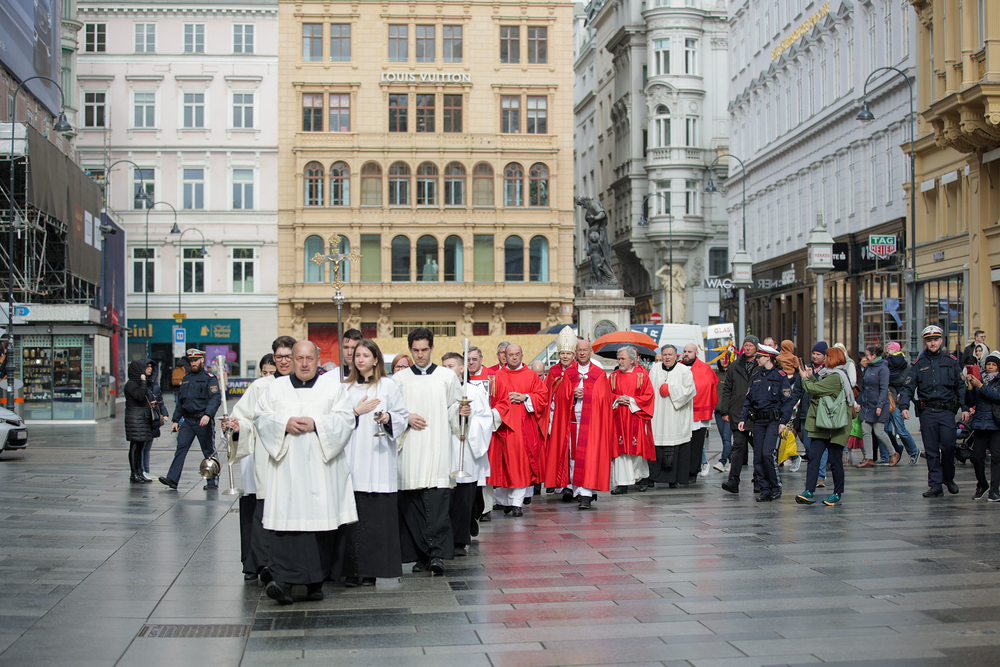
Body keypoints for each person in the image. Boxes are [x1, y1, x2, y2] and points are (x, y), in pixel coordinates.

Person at [254, 341, 357, 604]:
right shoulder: (275, 388)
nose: (303, 363)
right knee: (286, 524)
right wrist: (283, 423)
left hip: (321, 469)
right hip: (286, 469)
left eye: (309, 358)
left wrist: (317, 423)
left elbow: (346, 419)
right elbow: (261, 418)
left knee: (318, 525)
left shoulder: (333, 388)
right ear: (291, 359)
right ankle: (283, 582)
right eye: (299, 358)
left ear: (317, 360)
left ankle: (315, 583)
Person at [394, 327, 463, 574]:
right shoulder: (399, 380)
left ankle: (437, 556)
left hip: (437, 447)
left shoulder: (447, 377)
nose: (420, 355)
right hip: (410, 448)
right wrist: (405, 418)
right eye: (415, 350)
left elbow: (455, 408)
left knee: (438, 505)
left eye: (424, 350)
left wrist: (461, 412)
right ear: (410, 349)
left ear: (432, 348)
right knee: (412, 506)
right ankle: (422, 555)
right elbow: (391, 413)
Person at [340, 340, 409, 586]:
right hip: (353, 456)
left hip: (379, 458)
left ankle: (371, 571)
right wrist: (355, 412)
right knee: (353, 518)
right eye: (357, 355)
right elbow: (335, 420)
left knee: (376, 519)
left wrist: (389, 418)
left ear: (376, 359)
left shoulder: (388, 385)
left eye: (366, 355)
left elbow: (402, 415)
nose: (360, 360)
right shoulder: (345, 388)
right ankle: (352, 570)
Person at [229, 340, 295, 583]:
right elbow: (244, 417)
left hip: (296, 457)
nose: (284, 361)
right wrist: (238, 426)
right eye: (279, 356)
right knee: (264, 509)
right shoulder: (260, 386)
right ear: (273, 358)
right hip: (268, 457)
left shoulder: (305, 386)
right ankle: (263, 562)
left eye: (288, 356)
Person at [899, 325, 970, 498]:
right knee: (931, 450)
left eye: (936, 340)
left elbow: (961, 386)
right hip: (928, 412)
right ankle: (935, 484)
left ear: (941, 341)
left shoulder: (951, 361)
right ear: (925, 342)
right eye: (929, 340)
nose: (933, 343)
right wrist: (904, 406)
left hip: (947, 411)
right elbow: (908, 387)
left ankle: (948, 478)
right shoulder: (918, 364)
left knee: (949, 446)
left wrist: (965, 407)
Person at [543, 339, 614, 509]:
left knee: (590, 456)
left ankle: (586, 494)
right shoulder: (569, 373)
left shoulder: (599, 373)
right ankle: (577, 490)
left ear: (590, 352)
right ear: (576, 353)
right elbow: (559, 398)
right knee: (573, 456)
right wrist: (572, 393)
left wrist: (588, 394)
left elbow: (605, 399)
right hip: (573, 421)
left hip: (592, 423)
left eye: (585, 350)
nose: (582, 353)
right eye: (579, 350)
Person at [440, 351, 492, 552]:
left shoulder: (474, 392)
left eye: (450, 366)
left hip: (465, 446)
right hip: (445, 446)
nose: (447, 370)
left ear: (462, 368)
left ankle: (459, 540)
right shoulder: (439, 391)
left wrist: (468, 420)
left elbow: (485, 419)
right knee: (448, 494)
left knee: (464, 495)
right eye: (444, 366)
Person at [488, 344, 546, 516]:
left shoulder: (531, 375)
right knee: (503, 463)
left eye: (517, 354)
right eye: (511, 355)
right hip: (502, 426)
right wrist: (504, 400)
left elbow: (542, 397)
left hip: (523, 427)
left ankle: (516, 503)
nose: (514, 357)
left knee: (521, 463)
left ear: (522, 355)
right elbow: (490, 399)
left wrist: (526, 397)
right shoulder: (497, 376)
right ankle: (504, 502)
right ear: (504, 357)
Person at [795, 346, 853, 506]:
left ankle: (837, 494)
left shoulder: (836, 377)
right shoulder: (827, 375)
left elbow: (814, 389)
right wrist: (811, 377)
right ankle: (809, 491)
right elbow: (820, 388)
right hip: (823, 424)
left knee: (835, 460)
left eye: (827, 357)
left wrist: (804, 378)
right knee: (814, 456)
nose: (824, 359)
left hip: (836, 426)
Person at [159, 349, 222, 490]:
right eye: (191, 361)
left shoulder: (209, 378)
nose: (193, 363)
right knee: (180, 448)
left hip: (203, 420)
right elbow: (181, 402)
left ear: (202, 360)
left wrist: (208, 415)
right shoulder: (186, 378)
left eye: (196, 360)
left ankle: (212, 481)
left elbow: (215, 399)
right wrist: (176, 420)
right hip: (188, 421)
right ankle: (172, 479)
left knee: (209, 451)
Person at [738, 344, 793, 502]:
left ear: (768, 358)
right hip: (759, 421)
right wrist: (743, 419)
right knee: (758, 457)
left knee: (768, 454)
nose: (757, 359)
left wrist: (783, 421)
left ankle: (775, 486)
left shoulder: (780, 376)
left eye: (759, 357)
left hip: (773, 421)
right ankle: (764, 489)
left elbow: (787, 401)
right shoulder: (757, 376)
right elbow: (748, 400)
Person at [718, 336, 763, 494]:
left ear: (756, 348)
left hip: (756, 413)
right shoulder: (735, 365)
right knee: (738, 447)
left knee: (759, 448)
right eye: (746, 345)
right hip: (738, 412)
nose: (748, 348)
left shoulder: (761, 365)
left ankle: (758, 480)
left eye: (751, 345)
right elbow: (727, 389)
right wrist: (725, 411)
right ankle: (733, 480)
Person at [648, 344, 696, 487]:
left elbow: (690, 390)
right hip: (658, 415)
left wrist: (671, 389)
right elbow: (649, 389)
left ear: (676, 356)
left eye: (670, 355)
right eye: (664, 355)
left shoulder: (684, 370)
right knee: (656, 444)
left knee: (676, 445)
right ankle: (653, 477)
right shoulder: (655, 369)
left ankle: (673, 479)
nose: (667, 357)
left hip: (676, 415)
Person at [609, 346, 654, 494]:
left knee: (637, 448)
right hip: (618, 417)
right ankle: (622, 484)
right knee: (620, 450)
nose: (619, 362)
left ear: (632, 360)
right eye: (619, 359)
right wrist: (617, 399)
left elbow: (649, 396)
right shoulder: (613, 376)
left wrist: (631, 400)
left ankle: (642, 478)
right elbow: (605, 395)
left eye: (623, 359)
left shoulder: (642, 376)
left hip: (636, 416)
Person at [542, 327, 578, 493]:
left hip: (573, 417)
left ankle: (572, 484)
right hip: (556, 417)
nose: (565, 356)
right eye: (562, 353)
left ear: (573, 355)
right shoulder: (553, 371)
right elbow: (547, 394)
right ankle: (560, 484)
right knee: (558, 450)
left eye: (568, 353)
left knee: (572, 451)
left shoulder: (579, 371)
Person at [466, 346, 498, 523]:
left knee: (483, 469)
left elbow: (503, 401)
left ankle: (486, 508)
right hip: (464, 430)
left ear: (481, 359)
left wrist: (491, 415)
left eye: (474, 359)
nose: (471, 362)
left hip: (486, 428)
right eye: (468, 359)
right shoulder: (458, 379)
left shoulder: (493, 377)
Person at [966, 351, 1000, 501]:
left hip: (996, 424)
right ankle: (982, 485)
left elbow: (997, 397)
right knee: (977, 457)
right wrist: (970, 387)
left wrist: (981, 386)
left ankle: (995, 490)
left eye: (994, 365)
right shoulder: (978, 379)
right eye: (988, 364)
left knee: (996, 459)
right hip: (980, 423)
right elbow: (970, 401)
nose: (990, 367)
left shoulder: (997, 381)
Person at [683, 343, 719, 483]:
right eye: (685, 351)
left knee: (696, 445)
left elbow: (711, 386)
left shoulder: (704, 369)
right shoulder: (678, 367)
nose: (686, 354)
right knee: (683, 444)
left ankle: (693, 471)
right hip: (681, 412)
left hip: (698, 414)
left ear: (696, 353)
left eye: (689, 351)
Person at [857, 345, 896, 468]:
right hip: (867, 405)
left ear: (874, 356)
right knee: (865, 430)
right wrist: (860, 403)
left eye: (868, 355)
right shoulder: (868, 368)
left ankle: (893, 453)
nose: (866, 357)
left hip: (879, 405)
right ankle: (869, 458)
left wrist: (880, 405)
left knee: (879, 432)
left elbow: (884, 389)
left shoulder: (883, 369)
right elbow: (864, 387)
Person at [886, 342, 920, 465]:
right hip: (887, 399)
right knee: (885, 430)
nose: (888, 353)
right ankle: (895, 451)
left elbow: (905, 382)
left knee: (900, 429)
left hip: (896, 401)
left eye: (889, 350)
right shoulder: (887, 364)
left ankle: (913, 451)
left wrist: (888, 380)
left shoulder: (904, 366)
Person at [123, 360, 154, 483]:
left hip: (142, 417)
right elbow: (140, 396)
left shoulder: (138, 383)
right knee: (135, 445)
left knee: (140, 445)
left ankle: (140, 472)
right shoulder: (131, 384)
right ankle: (134, 473)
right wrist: (143, 382)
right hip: (134, 418)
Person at [775, 340, 802, 473]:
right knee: (789, 432)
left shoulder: (778, 358)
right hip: (793, 405)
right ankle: (790, 456)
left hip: (781, 404)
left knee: (784, 432)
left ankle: (787, 456)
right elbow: (798, 367)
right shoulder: (794, 359)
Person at [141, 359, 168, 481]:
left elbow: (159, 398)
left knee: (148, 447)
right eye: (147, 366)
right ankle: (142, 470)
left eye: (151, 366)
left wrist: (164, 412)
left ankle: (147, 470)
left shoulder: (154, 383)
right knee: (142, 447)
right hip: (143, 418)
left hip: (153, 418)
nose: (150, 368)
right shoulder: (140, 383)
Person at [712, 354, 733, 473]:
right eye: (721, 359)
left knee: (726, 437)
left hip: (730, 412)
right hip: (718, 411)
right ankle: (732, 460)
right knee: (724, 438)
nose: (724, 361)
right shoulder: (715, 374)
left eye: (726, 358)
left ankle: (722, 461)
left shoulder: (733, 373)